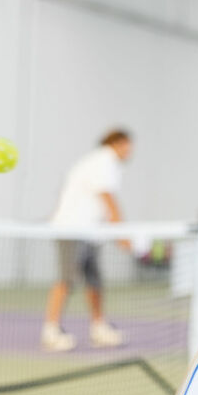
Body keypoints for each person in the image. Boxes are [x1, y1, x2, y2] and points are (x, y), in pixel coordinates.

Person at [41, 130, 131, 352]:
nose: (130, 151)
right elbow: (106, 194)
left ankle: (99, 327)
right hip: (72, 229)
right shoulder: (103, 160)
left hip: (90, 232)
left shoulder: (104, 163)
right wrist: (121, 231)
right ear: (116, 143)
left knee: (94, 280)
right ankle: (51, 330)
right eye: (127, 145)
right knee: (66, 279)